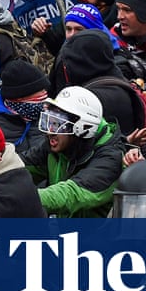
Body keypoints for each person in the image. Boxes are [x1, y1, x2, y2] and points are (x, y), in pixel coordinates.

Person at [22, 86, 125, 217]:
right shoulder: (57, 144)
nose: (49, 131)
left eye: (58, 124)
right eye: (49, 121)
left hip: (96, 235)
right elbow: (20, 167)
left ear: (82, 127)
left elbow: (72, 193)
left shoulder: (111, 158)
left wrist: (23, 200)